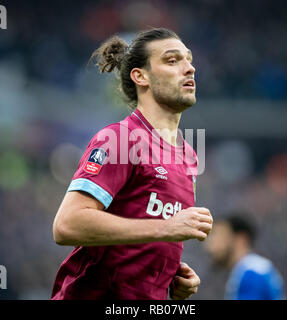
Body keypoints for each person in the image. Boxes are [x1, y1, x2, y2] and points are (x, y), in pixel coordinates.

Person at [51, 28, 213, 300]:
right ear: (141, 76)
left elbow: (138, 237)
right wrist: (168, 229)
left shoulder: (188, 156)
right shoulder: (120, 139)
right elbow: (67, 225)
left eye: (189, 59)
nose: (189, 68)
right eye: (172, 61)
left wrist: (169, 275)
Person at [205, 213, 284, 300]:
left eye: (219, 236)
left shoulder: (251, 274)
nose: (209, 245)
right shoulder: (251, 270)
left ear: (241, 239)